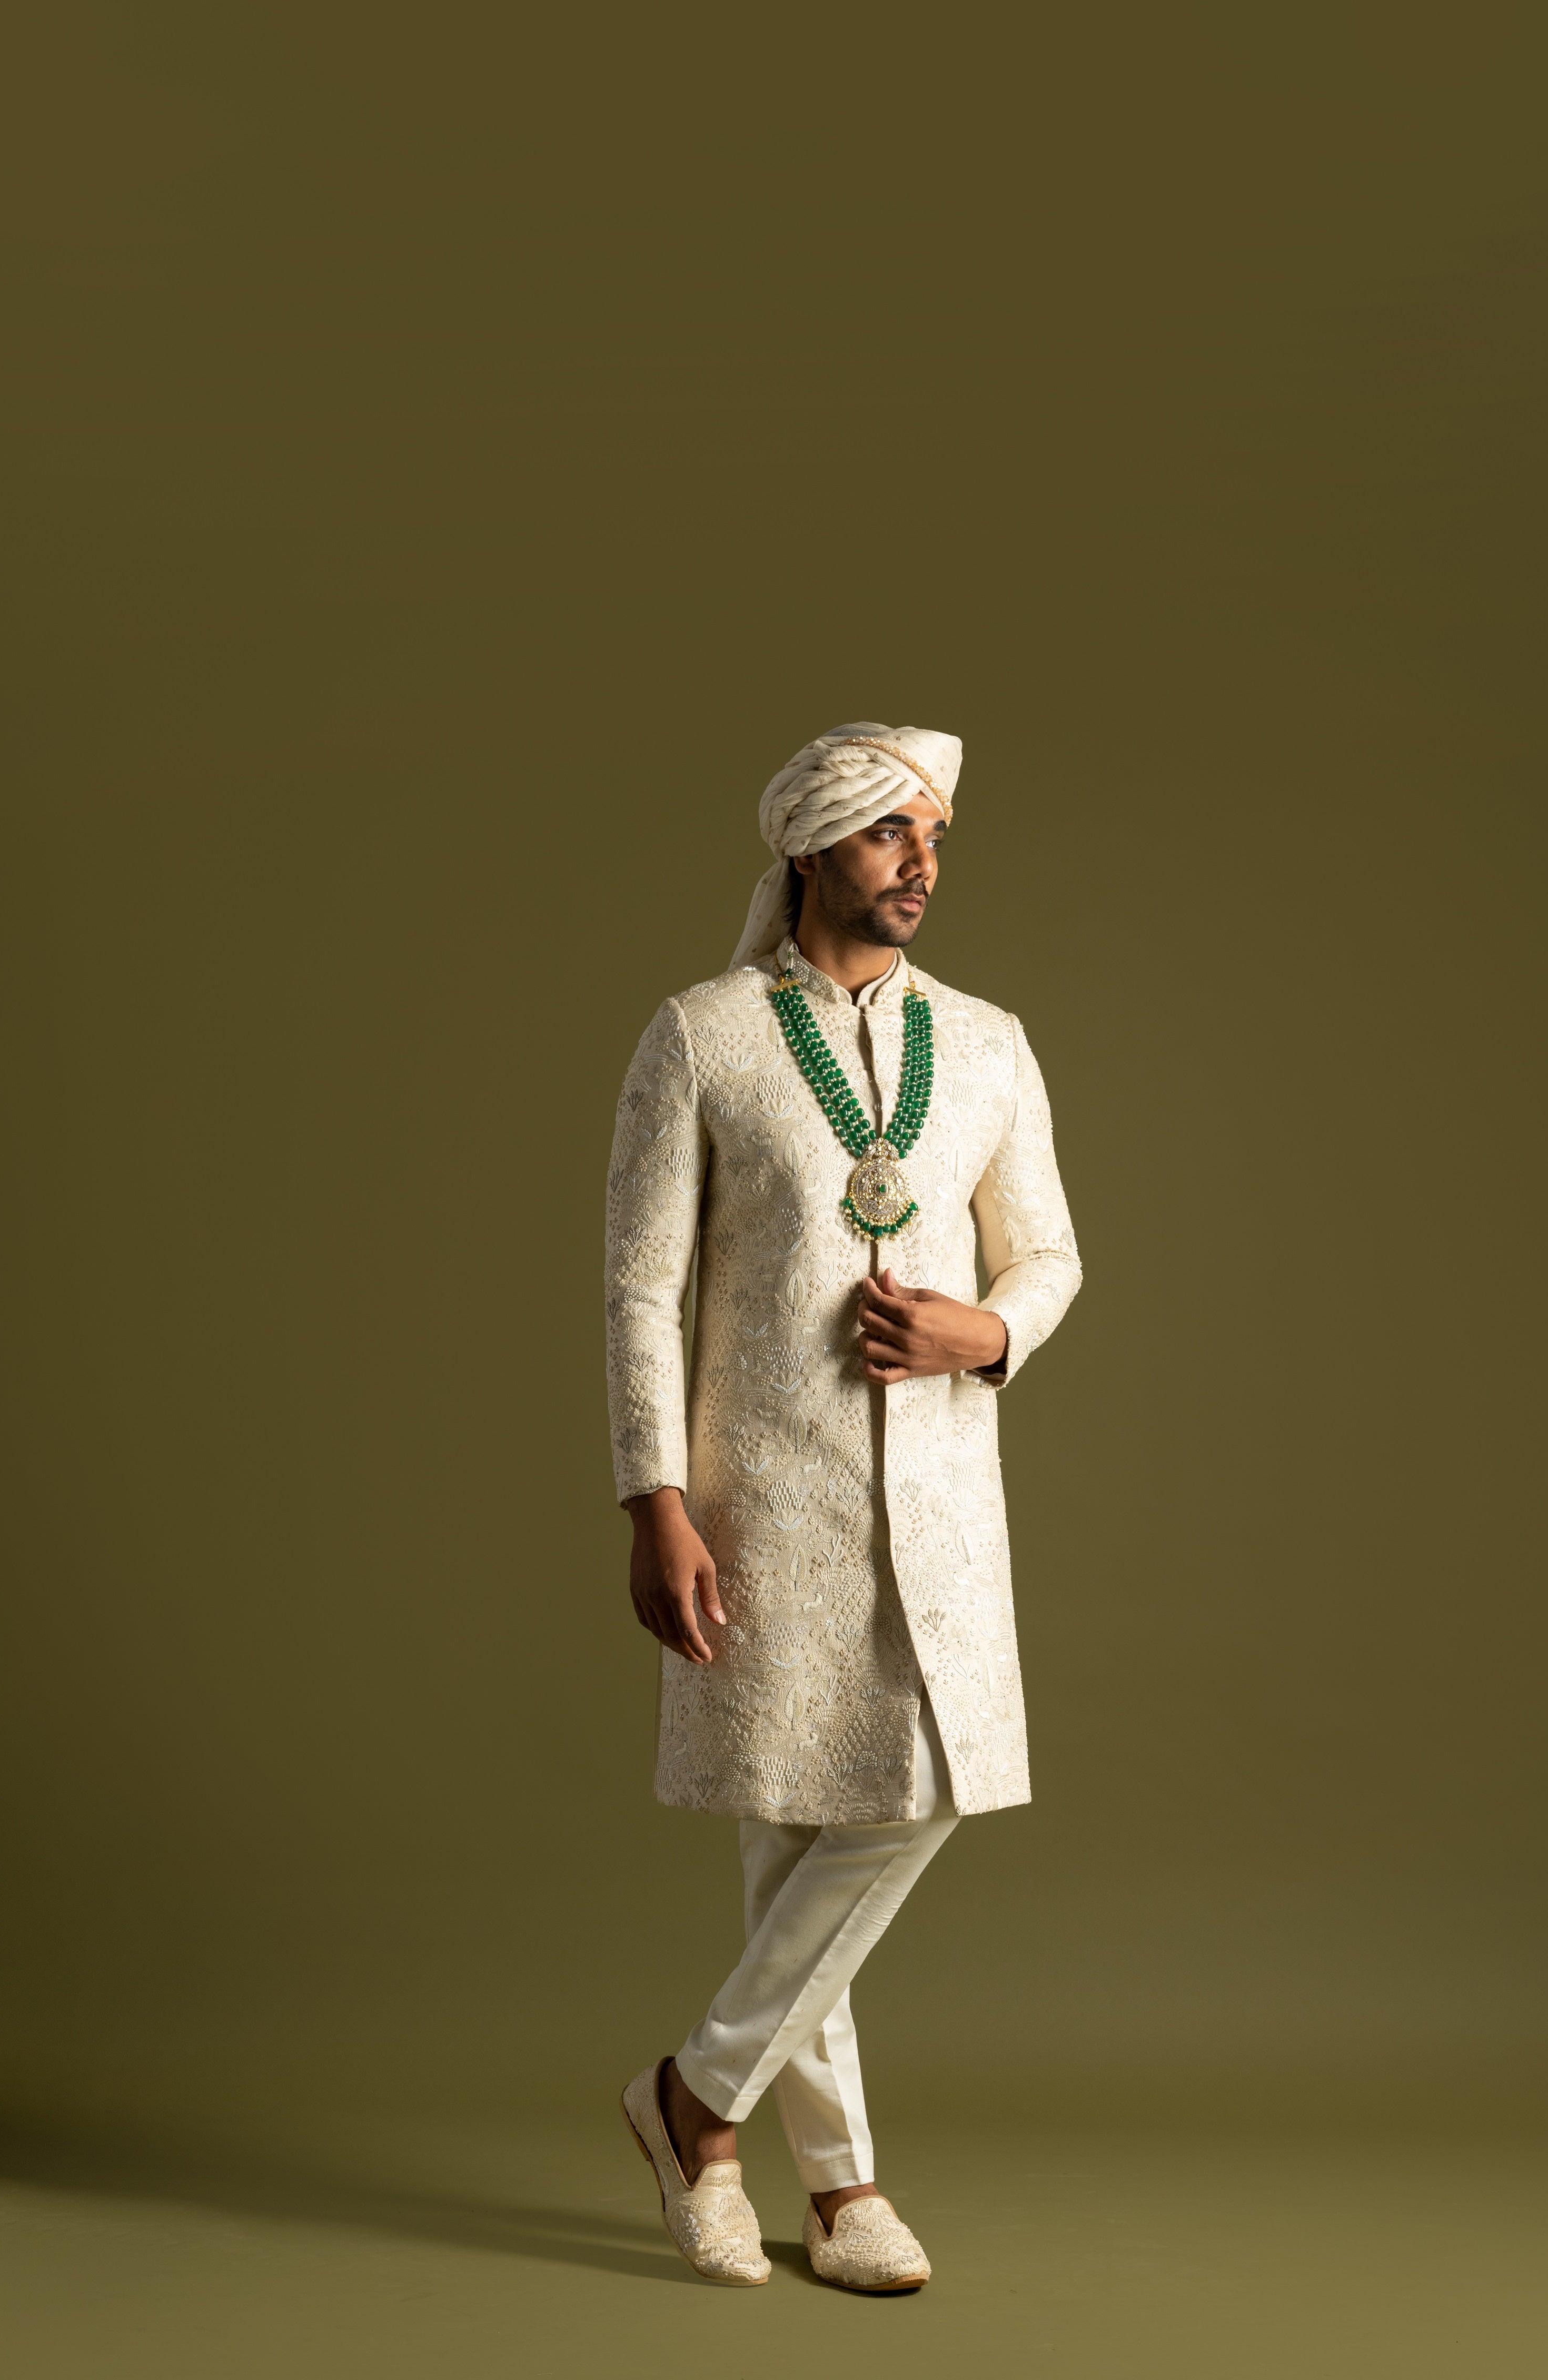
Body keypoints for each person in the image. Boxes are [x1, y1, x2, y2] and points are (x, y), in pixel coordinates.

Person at [607, 721, 1081, 2293]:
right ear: (812, 846)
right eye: (891, 834)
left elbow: (1049, 1253)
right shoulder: (703, 1035)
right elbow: (642, 1287)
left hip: (940, 1488)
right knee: (789, 1824)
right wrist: (655, 1497)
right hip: (761, 1496)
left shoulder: (990, 1043)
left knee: (917, 1788)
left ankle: (695, 2099)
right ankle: (841, 2188)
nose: (921, 865)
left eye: (934, 838)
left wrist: (987, 1333)